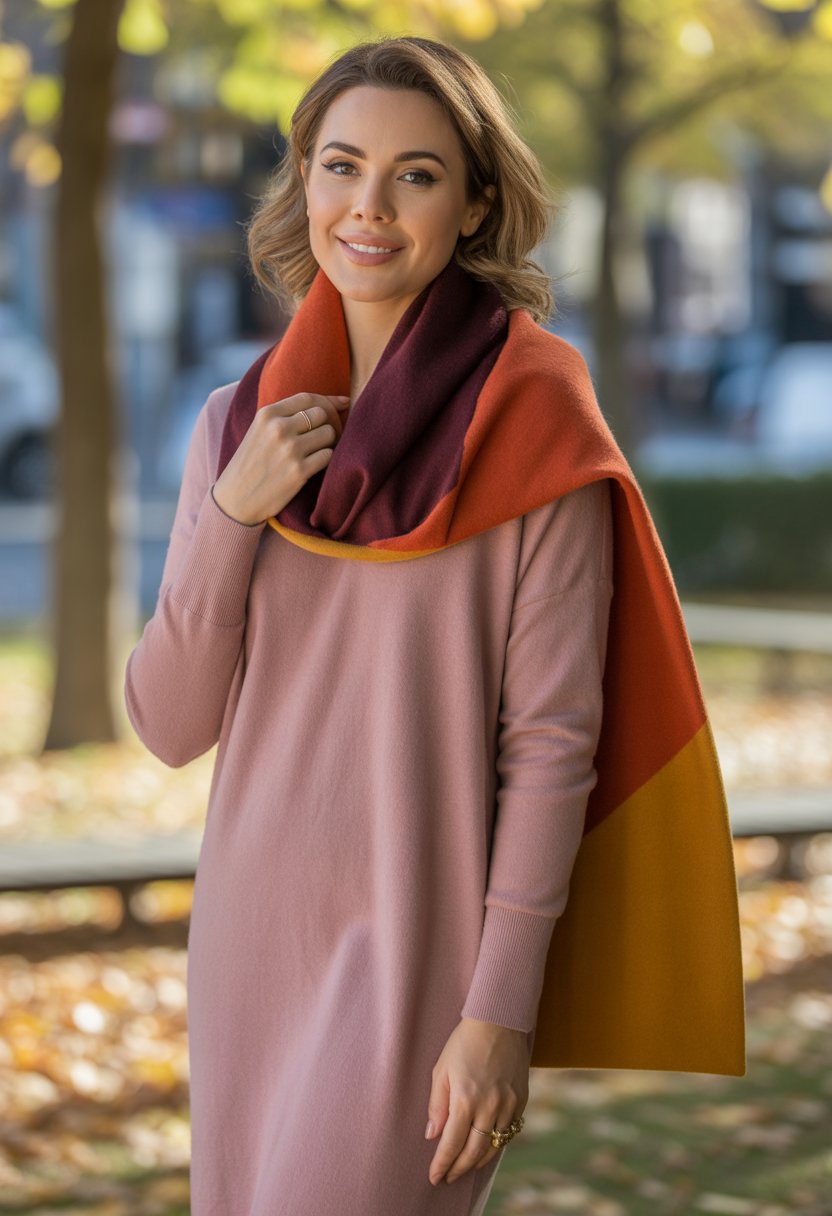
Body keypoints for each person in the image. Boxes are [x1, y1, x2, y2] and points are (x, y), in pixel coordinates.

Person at [124, 33, 744, 1216]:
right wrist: (228, 515)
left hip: (422, 956)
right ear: (303, 178)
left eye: (414, 174)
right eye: (341, 164)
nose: (369, 205)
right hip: (251, 944)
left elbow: (552, 744)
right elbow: (166, 721)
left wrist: (500, 1012)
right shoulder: (234, 427)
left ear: (471, 206)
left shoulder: (535, 414)